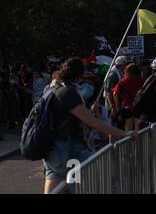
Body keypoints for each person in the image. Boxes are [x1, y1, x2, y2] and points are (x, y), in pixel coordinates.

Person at [43, 57, 137, 194]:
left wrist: (88, 113)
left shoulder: (51, 89)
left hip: (52, 151)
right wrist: (123, 133)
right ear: (79, 76)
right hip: (70, 151)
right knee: (100, 178)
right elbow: (91, 122)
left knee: (56, 188)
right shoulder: (68, 93)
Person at [113, 63, 144, 131]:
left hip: (127, 106)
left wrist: (117, 106)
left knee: (128, 128)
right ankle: (137, 141)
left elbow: (115, 93)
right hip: (139, 106)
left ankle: (129, 141)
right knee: (138, 128)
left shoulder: (123, 81)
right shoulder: (142, 80)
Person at [104, 56, 128, 127]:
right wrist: (113, 107)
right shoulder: (113, 76)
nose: (126, 66)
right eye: (125, 64)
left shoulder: (120, 73)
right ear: (122, 65)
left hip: (118, 104)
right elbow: (109, 93)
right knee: (113, 125)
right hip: (112, 106)